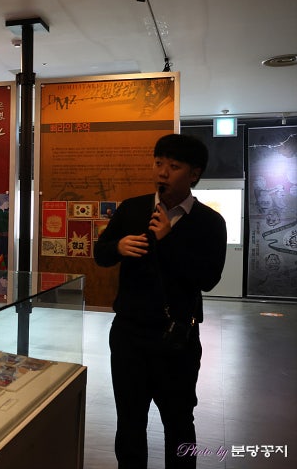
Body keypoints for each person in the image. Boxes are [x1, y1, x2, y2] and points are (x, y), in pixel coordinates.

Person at [94, 133, 227, 469]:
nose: (163, 172)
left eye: (174, 166)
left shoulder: (210, 222)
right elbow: (100, 254)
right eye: (158, 163)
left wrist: (168, 240)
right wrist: (117, 246)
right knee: (130, 422)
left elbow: (208, 279)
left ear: (194, 174)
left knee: (180, 423)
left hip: (178, 338)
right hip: (129, 334)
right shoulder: (132, 208)